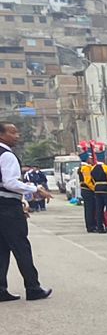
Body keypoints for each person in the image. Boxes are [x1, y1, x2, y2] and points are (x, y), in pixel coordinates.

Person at [0, 120, 52, 301]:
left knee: (2, 249)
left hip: (4, 204)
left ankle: (1, 289)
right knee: (21, 247)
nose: (17, 136)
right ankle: (33, 287)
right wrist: (35, 189)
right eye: (13, 132)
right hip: (7, 208)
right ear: (2, 135)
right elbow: (10, 183)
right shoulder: (6, 155)